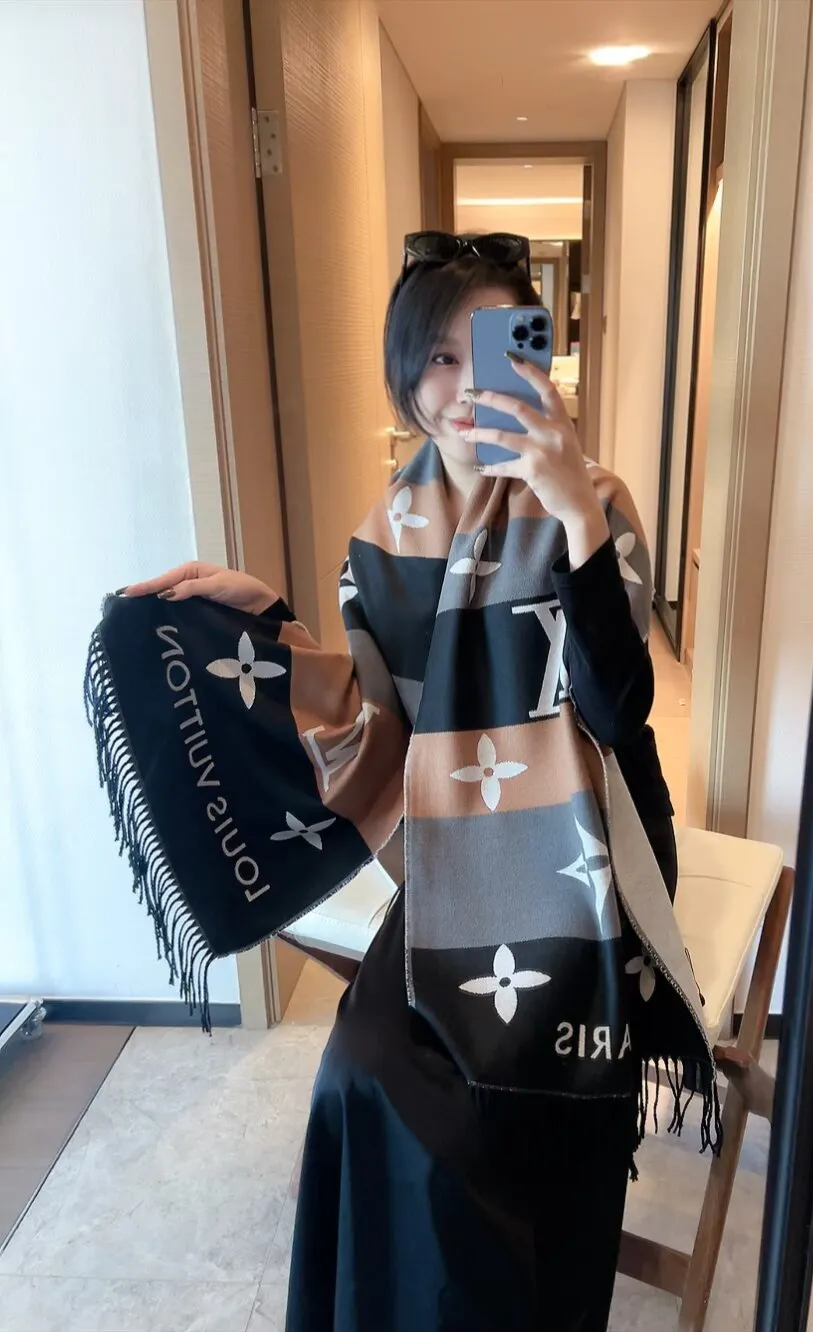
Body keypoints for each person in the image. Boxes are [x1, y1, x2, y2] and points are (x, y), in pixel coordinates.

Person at [124, 233, 702, 1332]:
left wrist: (575, 516)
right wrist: (263, 627)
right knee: (362, 1071)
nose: (466, 384)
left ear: (538, 358)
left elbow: (619, 712)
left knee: (513, 1098)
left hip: (594, 842)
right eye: (438, 357)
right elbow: (375, 735)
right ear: (404, 377)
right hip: (458, 848)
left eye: (494, 348)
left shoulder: (594, 497)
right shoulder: (384, 535)